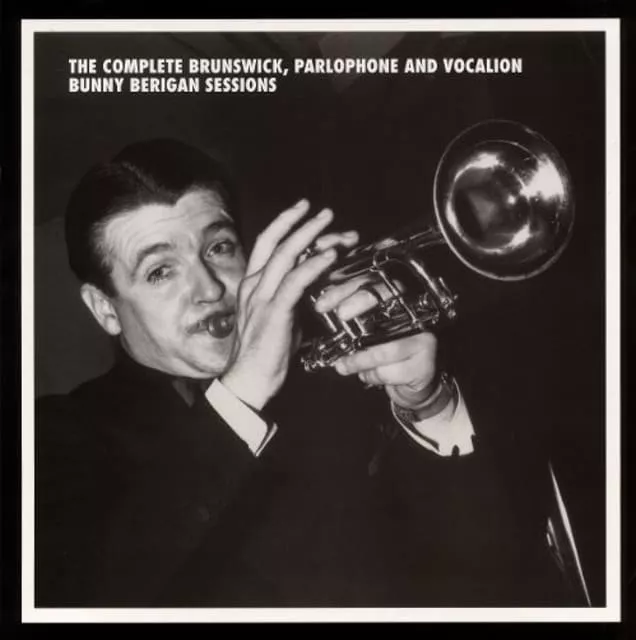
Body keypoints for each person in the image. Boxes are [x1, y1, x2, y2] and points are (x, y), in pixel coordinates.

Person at [35, 139, 571, 608]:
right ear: (104, 309)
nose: (210, 288)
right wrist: (240, 396)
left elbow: (493, 568)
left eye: (219, 248)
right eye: (159, 271)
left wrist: (429, 406)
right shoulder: (56, 436)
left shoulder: (336, 380)